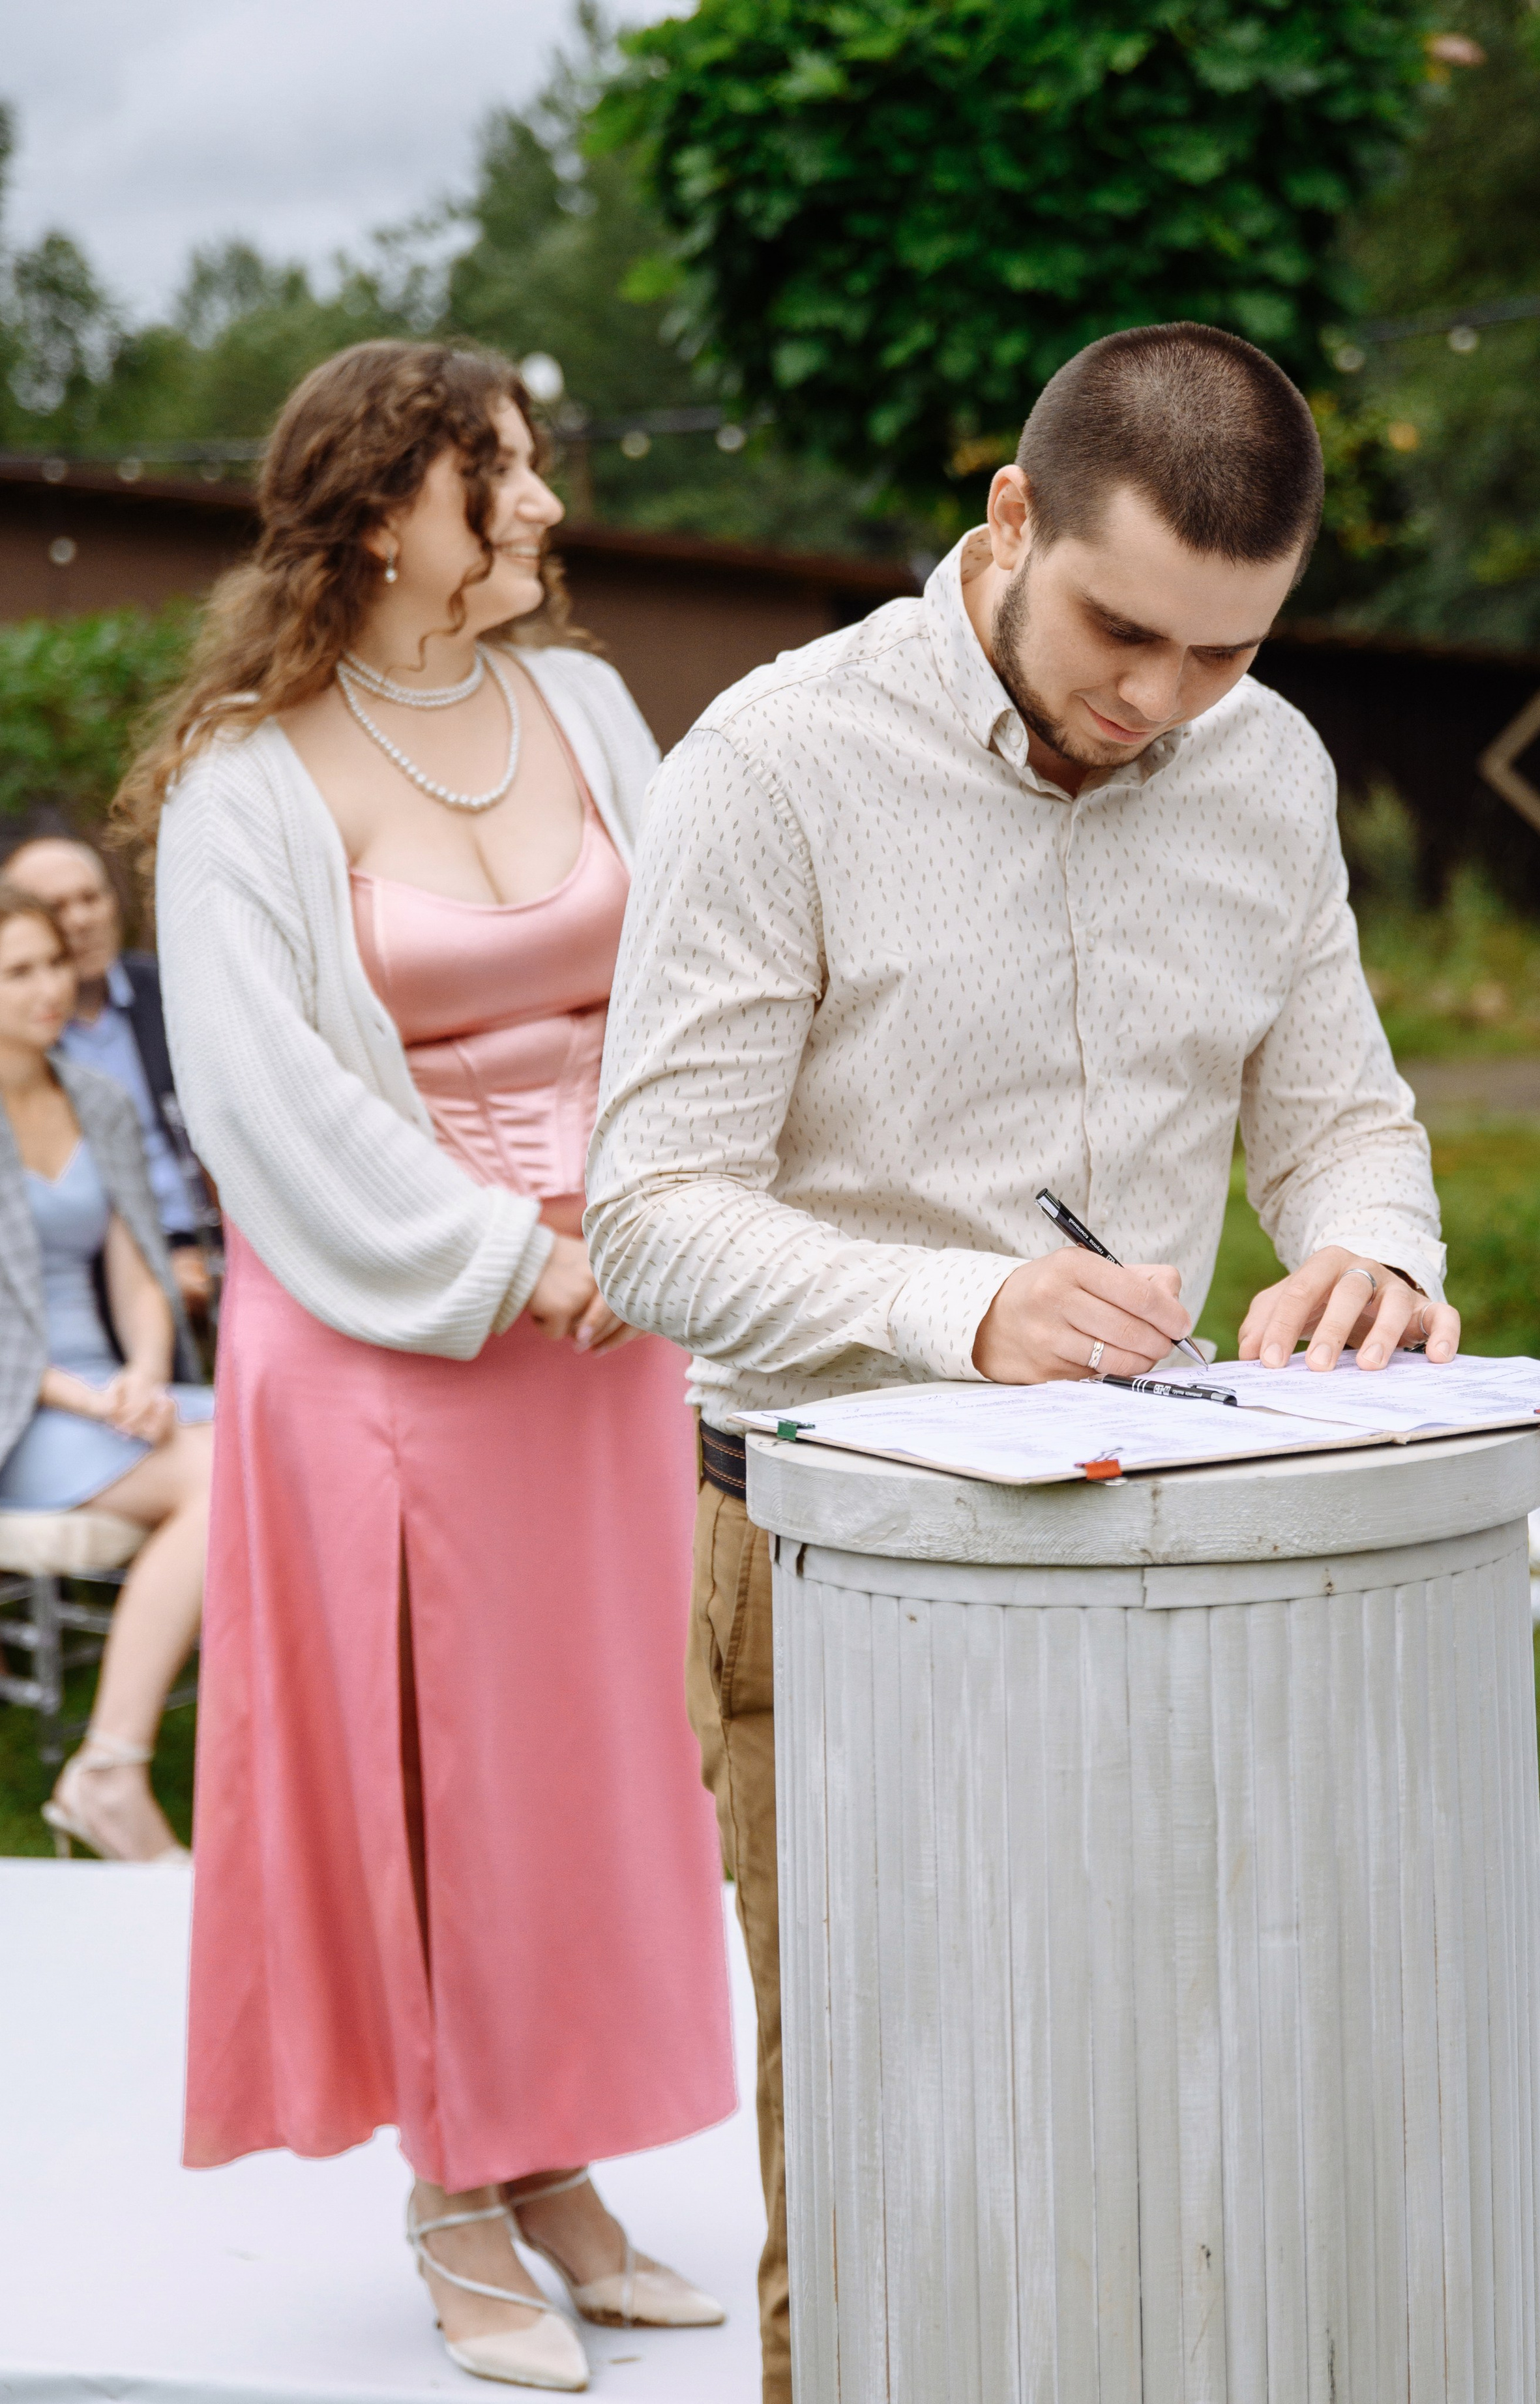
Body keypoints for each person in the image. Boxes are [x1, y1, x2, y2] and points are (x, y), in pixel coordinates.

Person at [585, 321, 1464, 2400]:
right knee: (903, 2151)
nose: (1157, 701)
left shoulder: (1270, 768)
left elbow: (1336, 1110)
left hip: (1184, 1542)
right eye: (1120, 628)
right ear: (1009, 515)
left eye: (1223, 653)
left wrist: (1367, 1246)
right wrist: (953, 1310)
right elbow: (641, 1208)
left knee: (1189, 2116)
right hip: (838, 1559)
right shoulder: (771, 765)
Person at [123, 340, 734, 2396]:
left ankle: (551, 2156)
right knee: (430, 1780)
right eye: (507, 472)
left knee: (588, 1770)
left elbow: (692, 981)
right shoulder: (240, 778)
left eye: (536, 466)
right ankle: (451, 2192)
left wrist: (642, 1215)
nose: (548, 504)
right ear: (388, 509)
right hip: (393, 1341)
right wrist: (502, 1258)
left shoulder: (583, 703)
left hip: (610, 1328)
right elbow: (265, 1099)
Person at [0, 883, 213, 1863]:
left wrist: (143, 1369)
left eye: (54, 961)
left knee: (282, 1436)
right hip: (26, 1407)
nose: (52, 986)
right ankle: (111, 1770)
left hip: (110, 1392)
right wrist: (90, 1394)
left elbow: (134, 1263)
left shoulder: (97, 1097)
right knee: (225, 1474)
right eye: (21, 970)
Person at [2, 831, 216, 1317]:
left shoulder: (173, 991)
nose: (81, 919)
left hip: (211, 1239)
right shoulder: (20, 1045)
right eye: (57, 907)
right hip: (96, 1271)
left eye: (91, 897)